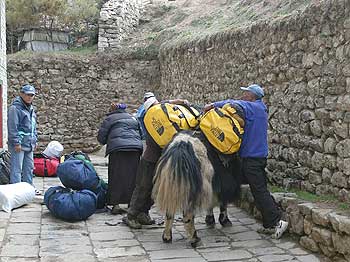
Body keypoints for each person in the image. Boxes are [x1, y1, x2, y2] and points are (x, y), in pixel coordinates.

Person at [204, 84, 289, 239]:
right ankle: (269, 224)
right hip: (259, 155)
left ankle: (278, 220)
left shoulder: (251, 108)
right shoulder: (261, 108)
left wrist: (212, 105)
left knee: (259, 191)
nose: (243, 95)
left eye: (246, 93)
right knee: (259, 189)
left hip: (252, 158)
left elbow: (231, 103)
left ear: (252, 96)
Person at [124, 95, 189, 229]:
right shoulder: (152, 122)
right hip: (149, 160)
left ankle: (143, 213)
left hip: (159, 160)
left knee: (154, 189)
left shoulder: (159, 117)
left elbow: (169, 102)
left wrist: (182, 102)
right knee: (143, 187)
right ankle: (131, 215)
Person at [97, 103, 143, 214]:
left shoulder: (110, 119)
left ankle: (115, 204)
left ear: (112, 110)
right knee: (133, 177)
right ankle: (131, 204)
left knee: (116, 176)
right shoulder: (133, 118)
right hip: (135, 149)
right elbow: (141, 134)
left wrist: (105, 141)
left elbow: (101, 137)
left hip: (118, 149)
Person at [7, 84, 39, 194]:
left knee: (29, 168)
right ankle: (16, 192)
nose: (30, 97)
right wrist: (16, 143)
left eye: (32, 95)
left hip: (29, 144)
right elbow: (12, 127)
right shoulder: (15, 108)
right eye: (28, 95)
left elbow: (33, 126)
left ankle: (29, 190)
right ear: (22, 94)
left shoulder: (31, 109)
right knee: (17, 170)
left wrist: (35, 140)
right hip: (19, 145)